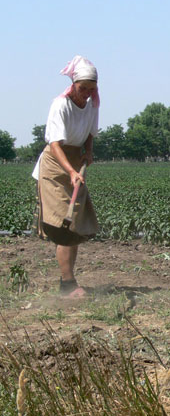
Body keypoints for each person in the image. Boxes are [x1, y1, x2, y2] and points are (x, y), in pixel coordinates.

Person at [32, 55, 101, 298]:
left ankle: (69, 282)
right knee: (64, 223)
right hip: (55, 165)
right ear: (73, 85)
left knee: (75, 227)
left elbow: (90, 133)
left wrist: (88, 152)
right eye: (83, 89)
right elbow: (54, 144)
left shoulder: (92, 104)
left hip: (74, 162)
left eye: (91, 89)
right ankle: (67, 284)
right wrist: (70, 171)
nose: (87, 94)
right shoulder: (60, 105)